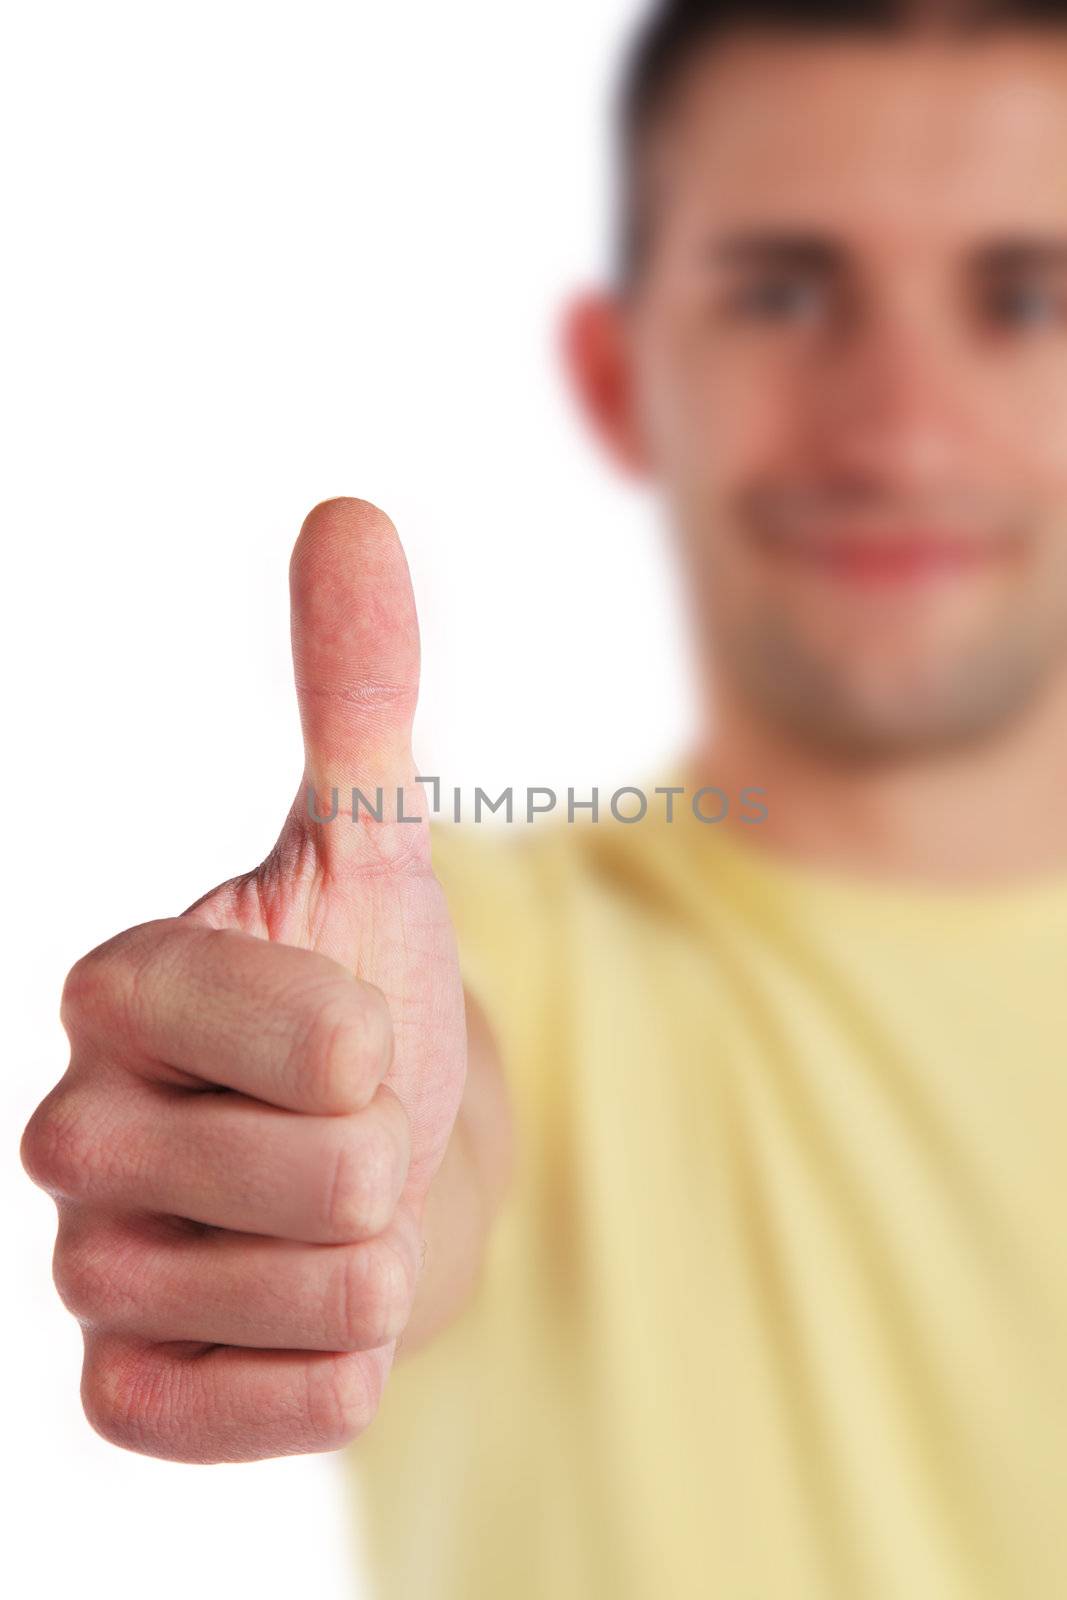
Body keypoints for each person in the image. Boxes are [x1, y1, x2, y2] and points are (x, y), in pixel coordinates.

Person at [22, 0, 1067, 1594]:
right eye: (782, 292)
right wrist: (334, 1176)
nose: (901, 432)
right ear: (614, 375)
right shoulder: (504, 957)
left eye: (1027, 298)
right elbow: (440, 1131)